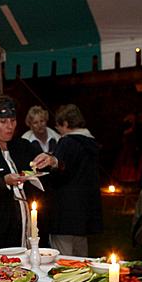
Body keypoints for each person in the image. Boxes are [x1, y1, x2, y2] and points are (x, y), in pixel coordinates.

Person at [0, 96, 54, 248]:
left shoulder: (24, 146)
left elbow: (50, 179)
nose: (9, 126)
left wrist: (51, 161)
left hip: (33, 228)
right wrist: (3, 182)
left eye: (12, 121)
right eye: (2, 121)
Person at [46, 104, 103, 256]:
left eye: (58, 126)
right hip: (84, 212)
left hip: (64, 213)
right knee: (81, 259)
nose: (58, 130)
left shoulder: (67, 142)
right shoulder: (90, 143)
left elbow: (59, 174)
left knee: (62, 260)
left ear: (65, 123)